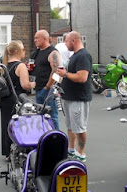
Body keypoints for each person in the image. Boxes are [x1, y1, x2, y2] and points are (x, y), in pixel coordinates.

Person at [56, 31, 92, 163]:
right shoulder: (75, 56)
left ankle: (81, 153)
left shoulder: (83, 56)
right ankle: (71, 149)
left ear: (74, 41)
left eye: (66, 41)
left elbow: (82, 77)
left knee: (80, 128)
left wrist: (65, 74)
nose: (64, 44)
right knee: (71, 126)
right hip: (70, 97)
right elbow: (68, 74)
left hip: (79, 98)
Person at [0, 40, 36, 161]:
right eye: (23, 49)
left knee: (6, 124)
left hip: (4, 99)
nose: (24, 51)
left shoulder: (4, 65)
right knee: (19, 125)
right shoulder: (20, 66)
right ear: (16, 51)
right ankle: (19, 151)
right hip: (17, 99)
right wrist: (34, 84)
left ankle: (7, 153)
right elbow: (25, 85)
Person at [31, 30, 61, 129]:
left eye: (37, 38)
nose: (35, 40)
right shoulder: (37, 53)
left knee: (52, 116)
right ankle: (44, 138)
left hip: (48, 90)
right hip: (38, 89)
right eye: (34, 38)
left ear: (44, 39)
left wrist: (48, 87)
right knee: (41, 116)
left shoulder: (53, 52)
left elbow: (56, 71)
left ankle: (56, 139)